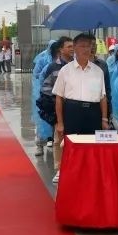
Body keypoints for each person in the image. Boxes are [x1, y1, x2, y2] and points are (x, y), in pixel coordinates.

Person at [51, 33, 108, 184]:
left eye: (88, 46)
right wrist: (60, 122)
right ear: (74, 48)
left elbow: (102, 96)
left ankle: (90, 176)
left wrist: (104, 118)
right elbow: (59, 98)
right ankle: (71, 175)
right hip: (72, 111)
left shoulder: (98, 71)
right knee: (72, 146)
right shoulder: (66, 70)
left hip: (93, 112)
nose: (85, 49)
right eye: (82, 45)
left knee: (91, 146)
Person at [39, 36, 74, 165]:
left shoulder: (77, 65)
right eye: (69, 47)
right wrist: (58, 98)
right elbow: (45, 89)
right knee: (59, 139)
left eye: (73, 46)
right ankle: (59, 168)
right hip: (59, 108)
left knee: (73, 139)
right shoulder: (53, 67)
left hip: (75, 110)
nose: (72, 49)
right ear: (61, 49)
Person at [31, 40, 57, 157]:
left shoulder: (62, 61)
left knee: (55, 122)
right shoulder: (42, 59)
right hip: (44, 94)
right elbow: (36, 75)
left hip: (57, 96)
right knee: (42, 121)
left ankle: (52, 142)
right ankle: (39, 145)